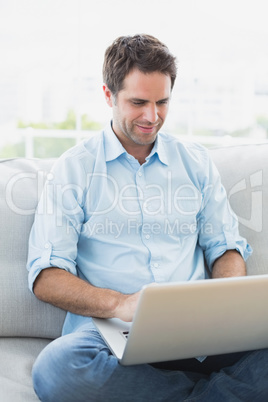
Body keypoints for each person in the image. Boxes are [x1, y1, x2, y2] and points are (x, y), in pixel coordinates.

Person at [27, 34, 268, 401]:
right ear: (108, 95)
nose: (152, 117)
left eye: (162, 102)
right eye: (138, 102)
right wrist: (120, 304)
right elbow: (46, 276)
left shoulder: (195, 162)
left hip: (198, 329)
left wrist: (227, 307)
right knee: (57, 370)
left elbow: (225, 249)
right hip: (112, 335)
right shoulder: (74, 169)